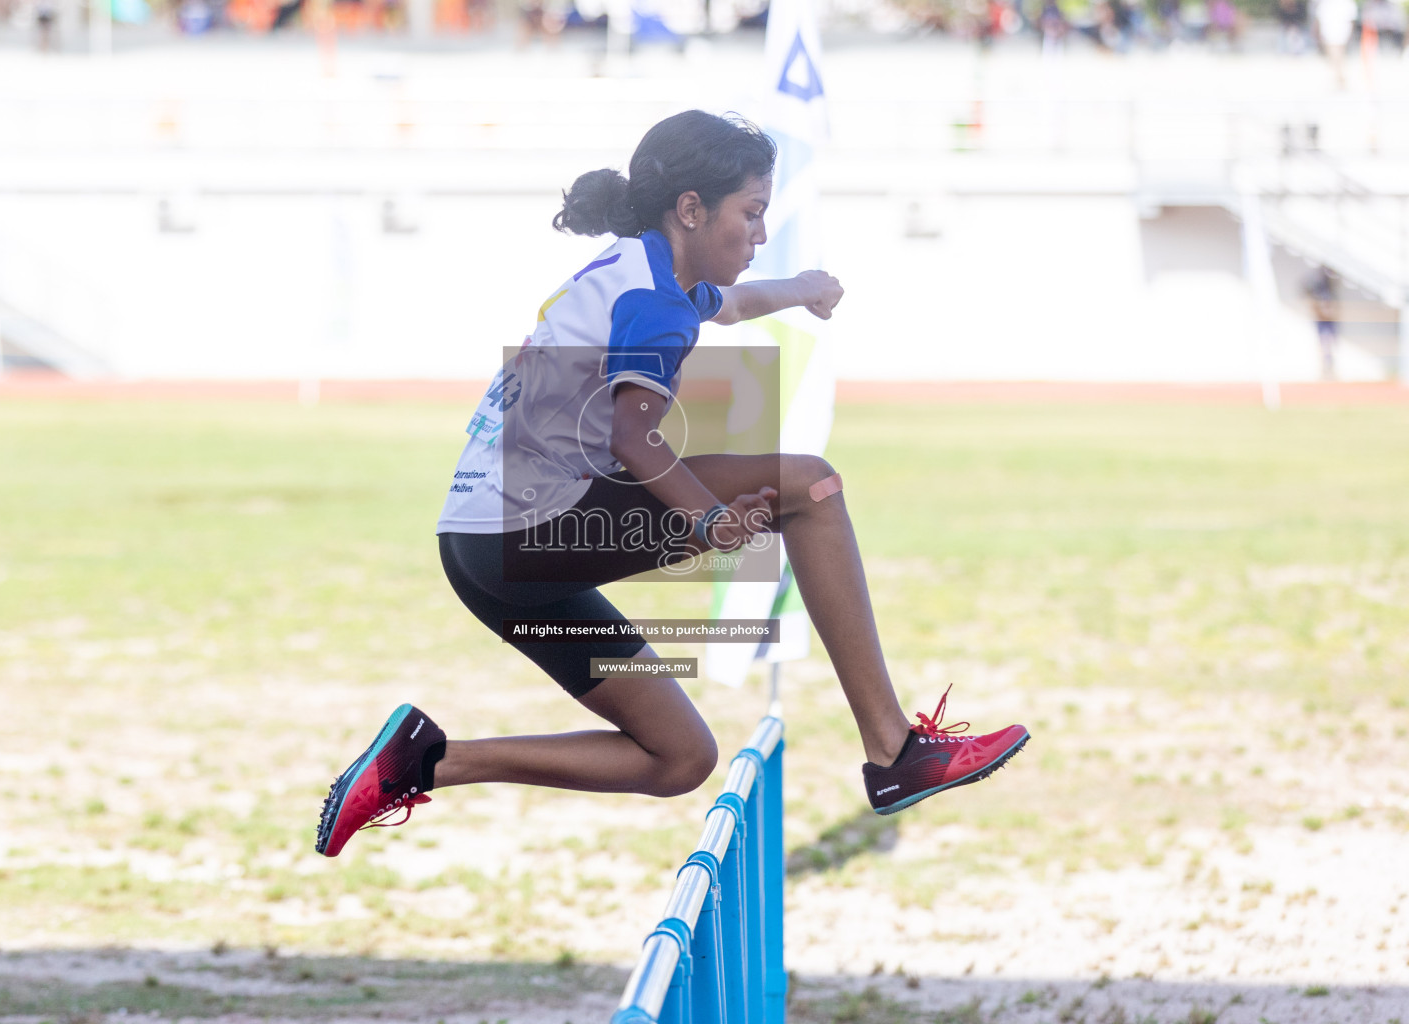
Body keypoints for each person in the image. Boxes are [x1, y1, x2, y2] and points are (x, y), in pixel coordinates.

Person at [313, 111, 1031, 859]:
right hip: (521, 537)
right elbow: (633, 435)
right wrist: (711, 519)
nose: (759, 235)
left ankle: (424, 760)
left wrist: (805, 288)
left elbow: (737, 303)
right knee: (810, 487)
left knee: (679, 757)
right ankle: (893, 751)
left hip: (483, 549)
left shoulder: (648, 271)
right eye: (751, 214)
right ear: (690, 209)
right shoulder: (652, 301)